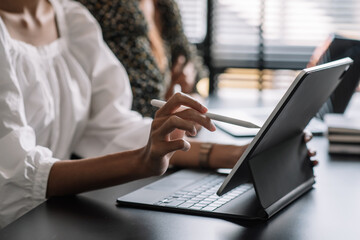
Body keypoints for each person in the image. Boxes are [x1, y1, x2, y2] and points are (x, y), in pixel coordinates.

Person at [0, 0, 315, 229]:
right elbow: (18, 175)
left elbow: (111, 129)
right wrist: (142, 161)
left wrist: (242, 155)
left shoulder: (73, 19)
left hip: (47, 217)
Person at [77, 0, 208, 117]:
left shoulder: (164, 7)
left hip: (158, 132)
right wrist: (171, 102)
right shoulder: (109, 9)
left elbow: (194, 68)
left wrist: (196, 99)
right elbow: (140, 104)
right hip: (125, 136)